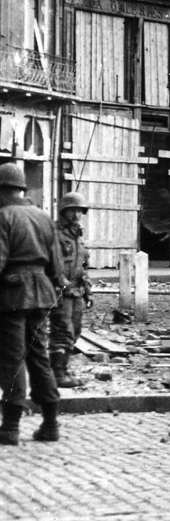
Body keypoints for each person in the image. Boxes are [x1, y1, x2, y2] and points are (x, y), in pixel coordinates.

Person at [0, 162, 64, 445]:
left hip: (12, 296)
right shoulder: (43, 217)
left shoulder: (3, 217)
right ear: (20, 189)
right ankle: (51, 423)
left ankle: (10, 427)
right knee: (38, 356)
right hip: (42, 293)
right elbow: (57, 268)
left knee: (12, 359)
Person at [49, 193, 90, 390]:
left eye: (80, 211)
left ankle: (62, 370)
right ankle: (57, 374)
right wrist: (58, 281)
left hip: (76, 292)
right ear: (64, 211)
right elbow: (52, 262)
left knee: (75, 331)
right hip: (60, 292)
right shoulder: (55, 234)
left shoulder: (78, 236)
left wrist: (87, 289)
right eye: (73, 210)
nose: (77, 214)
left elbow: (82, 264)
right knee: (62, 332)